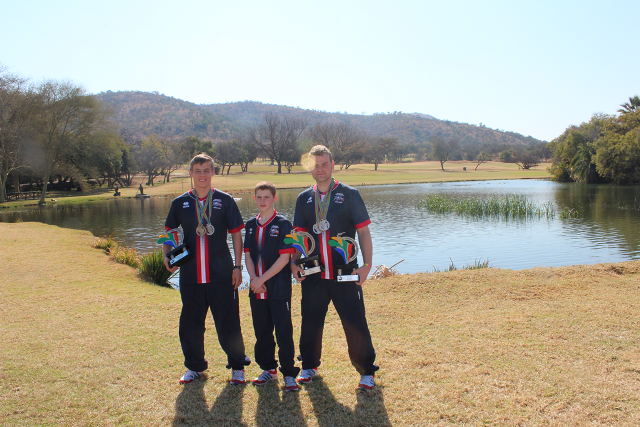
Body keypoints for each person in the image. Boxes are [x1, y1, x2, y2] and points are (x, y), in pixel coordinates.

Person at [291, 145, 379, 390]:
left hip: (345, 273)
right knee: (310, 322)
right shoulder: (303, 198)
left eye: (324, 164)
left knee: (355, 322)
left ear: (332, 165)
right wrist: (293, 263)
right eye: (315, 165)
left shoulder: (349, 194)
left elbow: (363, 232)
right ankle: (309, 366)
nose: (320, 169)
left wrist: (367, 266)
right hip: (313, 273)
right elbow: (298, 235)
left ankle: (366, 371)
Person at [163, 153, 250, 385]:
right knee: (190, 324)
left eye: (206, 170)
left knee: (228, 323)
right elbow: (169, 231)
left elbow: (236, 235)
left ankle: (237, 367)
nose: (202, 175)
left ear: (213, 172)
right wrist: (166, 255)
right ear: (191, 173)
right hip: (190, 275)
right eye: (198, 171)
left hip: (221, 274)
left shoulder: (225, 200)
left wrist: (238, 266)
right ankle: (194, 367)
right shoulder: (180, 203)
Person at [243, 181, 300, 392]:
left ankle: (289, 374)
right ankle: (269, 369)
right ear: (255, 198)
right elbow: (248, 255)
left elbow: (285, 259)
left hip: (278, 288)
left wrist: (262, 280)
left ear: (274, 198)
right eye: (259, 197)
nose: (262, 201)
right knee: (262, 331)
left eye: (266, 197)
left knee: (283, 331)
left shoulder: (284, 224)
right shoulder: (250, 224)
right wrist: (253, 279)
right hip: (257, 289)